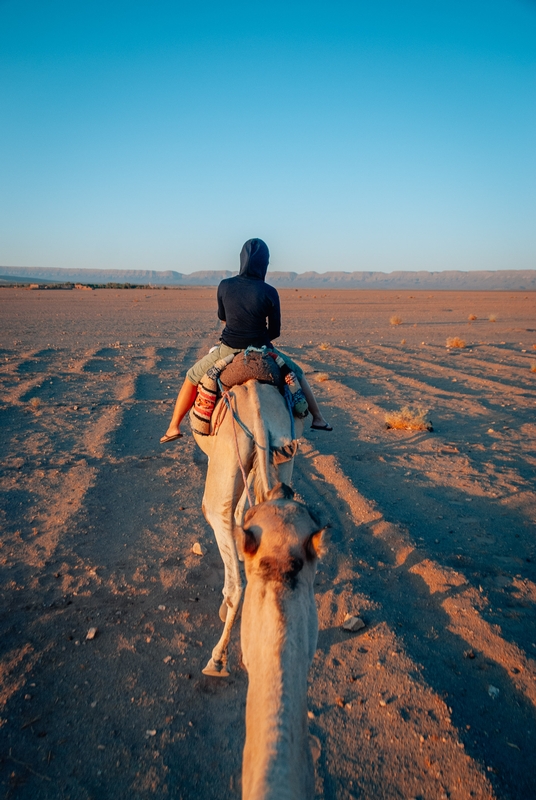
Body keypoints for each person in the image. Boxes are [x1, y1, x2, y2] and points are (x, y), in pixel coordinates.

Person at [160, 238, 332, 443]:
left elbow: (222, 317)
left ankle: (173, 427)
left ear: (241, 260)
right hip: (264, 350)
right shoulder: (270, 292)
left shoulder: (224, 286)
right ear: (265, 263)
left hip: (228, 350)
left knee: (192, 376)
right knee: (299, 374)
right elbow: (275, 331)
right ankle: (319, 419)